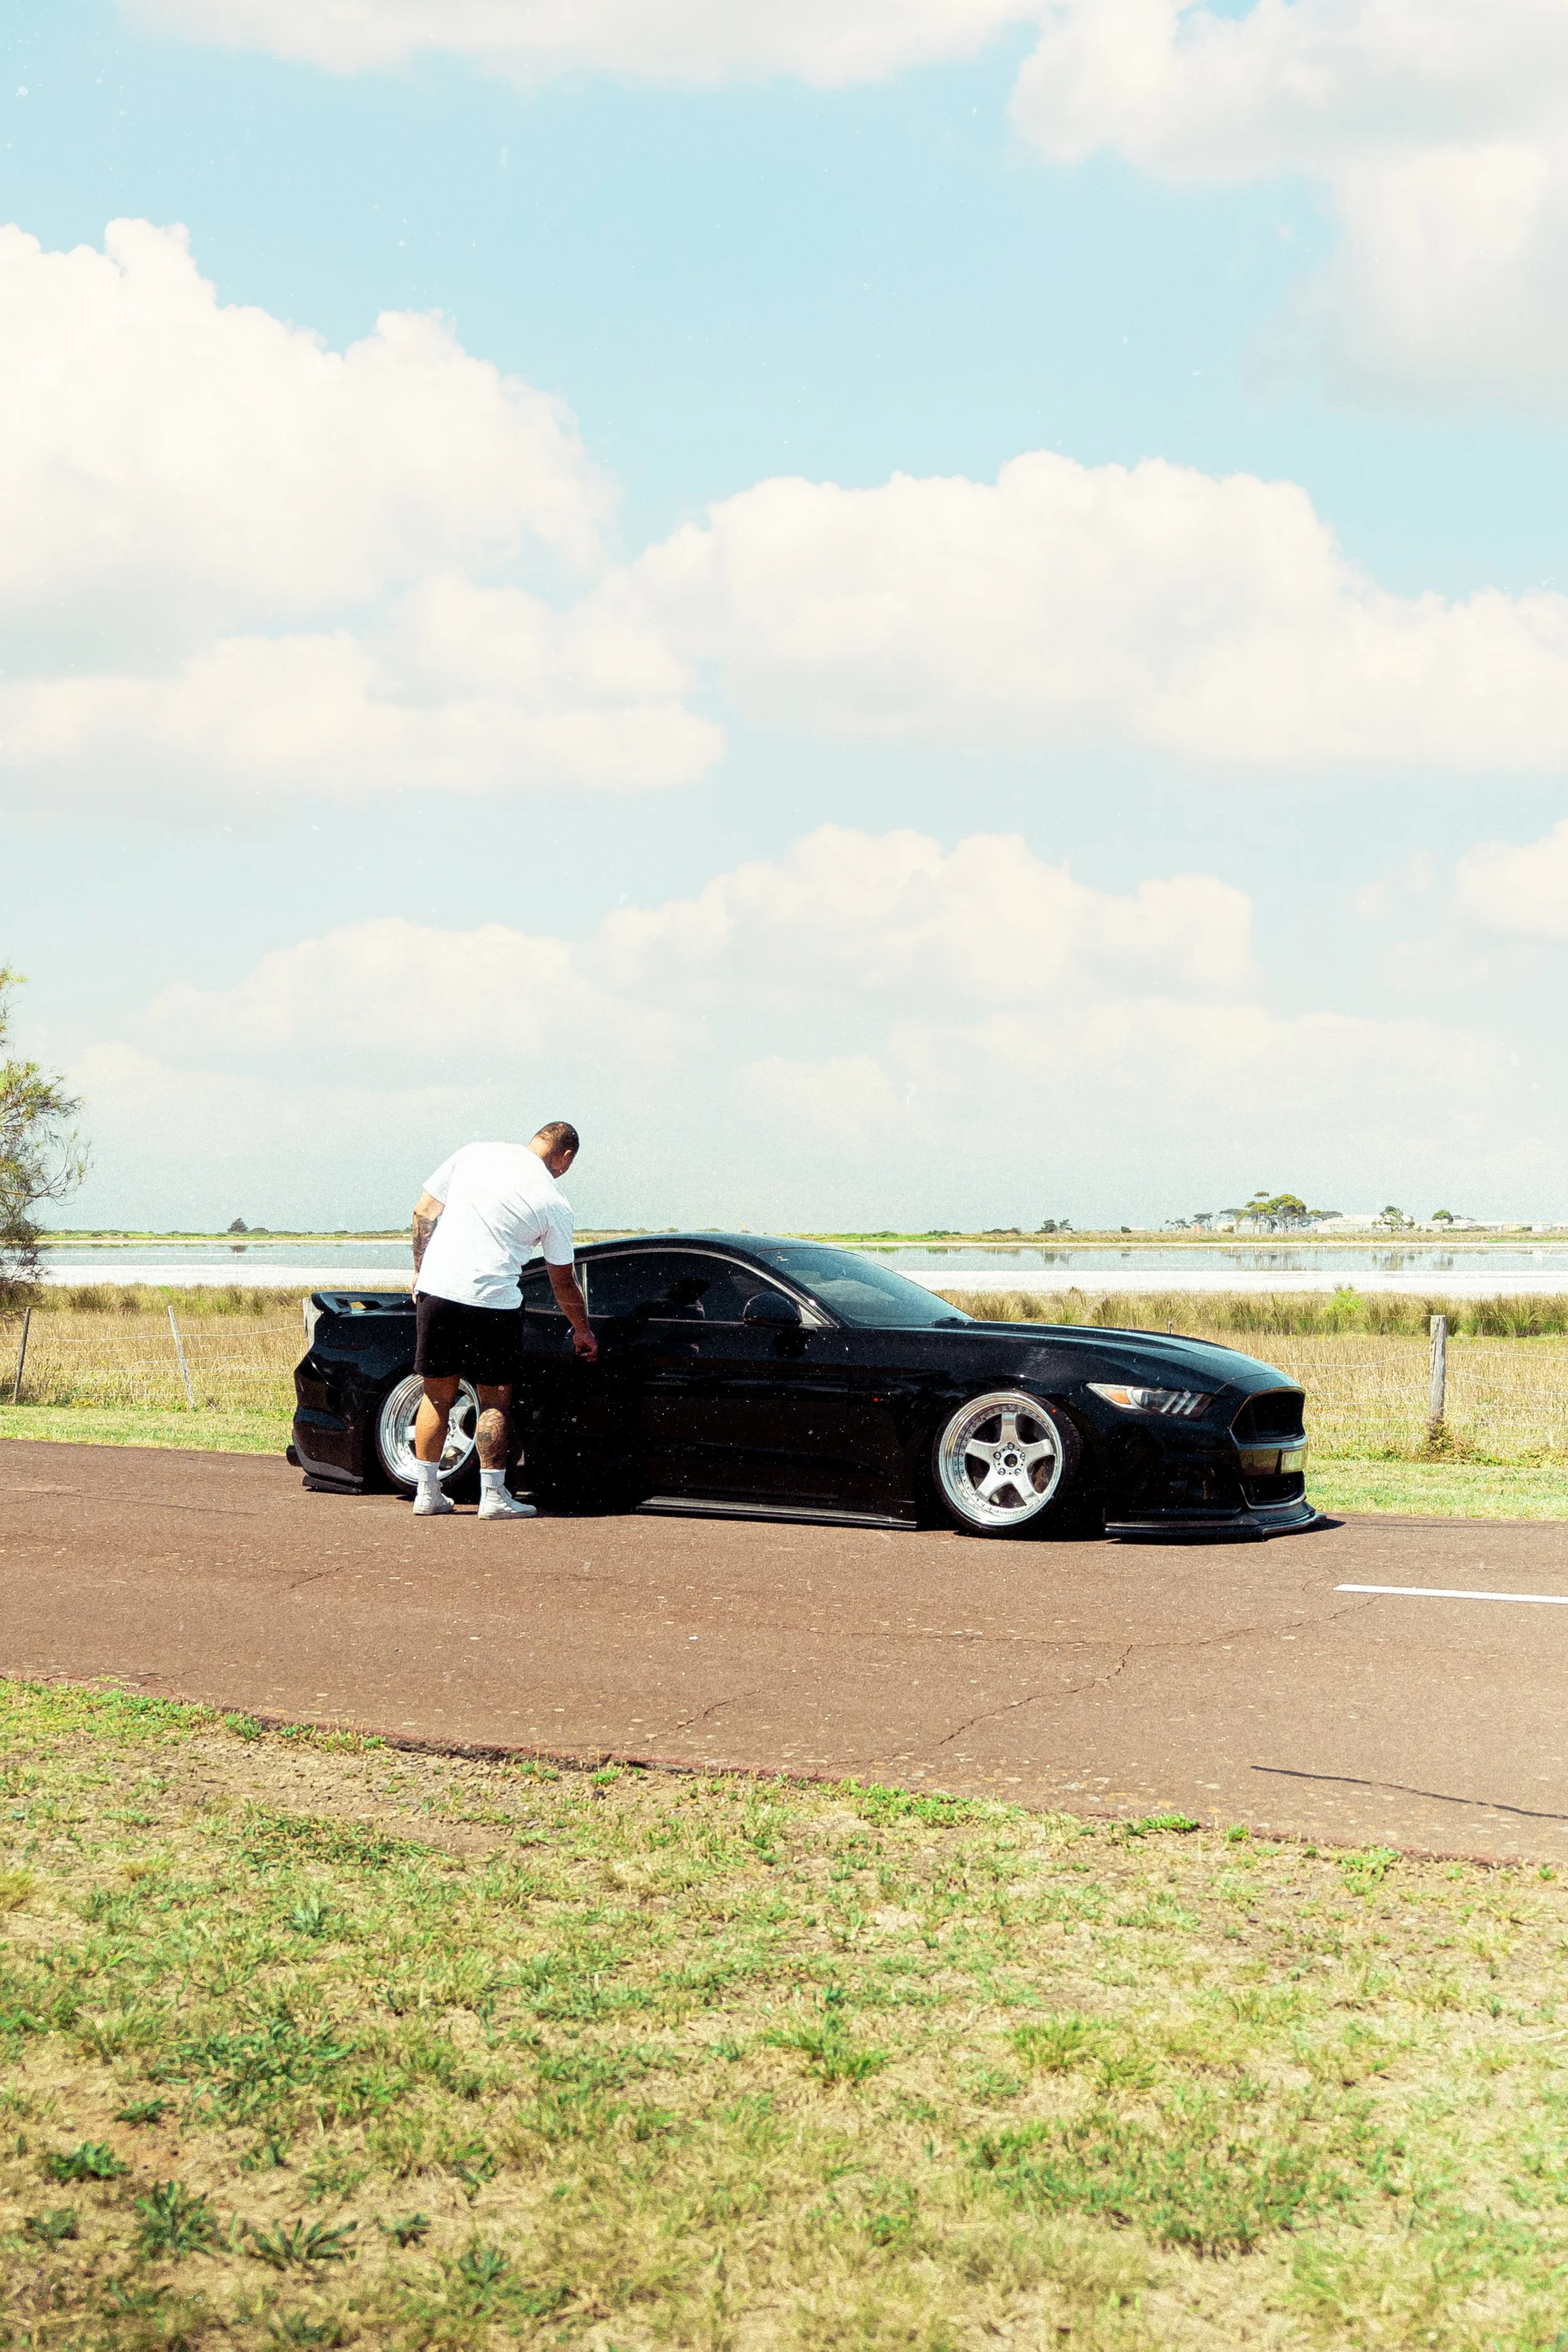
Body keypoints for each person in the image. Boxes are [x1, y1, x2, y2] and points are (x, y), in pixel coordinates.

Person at [408, 1121, 597, 1521]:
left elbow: (424, 1211)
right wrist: (582, 1329)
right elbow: (562, 1281)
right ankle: (493, 1498)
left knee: (436, 1396)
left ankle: (427, 1493)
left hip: (438, 1293)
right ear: (564, 1157)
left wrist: (421, 1271)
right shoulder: (555, 1202)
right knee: (494, 1401)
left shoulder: (475, 1151)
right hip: (493, 1304)